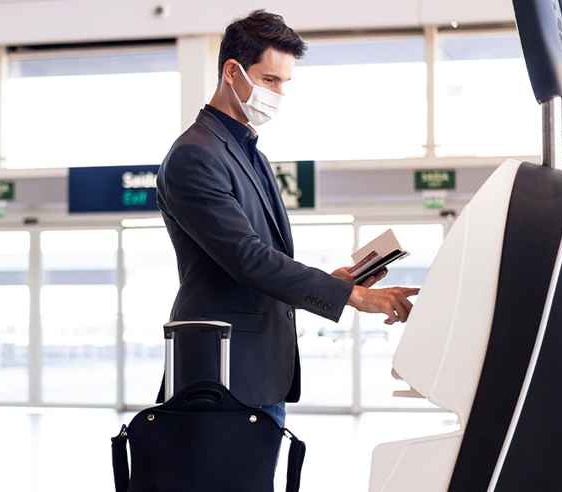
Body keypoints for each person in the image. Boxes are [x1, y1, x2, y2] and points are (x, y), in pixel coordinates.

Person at [155, 10, 419, 428]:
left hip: (257, 373)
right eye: (269, 80)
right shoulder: (195, 155)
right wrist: (353, 297)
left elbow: (262, 263)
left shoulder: (247, 153)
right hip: (221, 371)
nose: (278, 93)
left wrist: (338, 281)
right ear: (232, 72)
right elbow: (248, 259)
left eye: (284, 84)